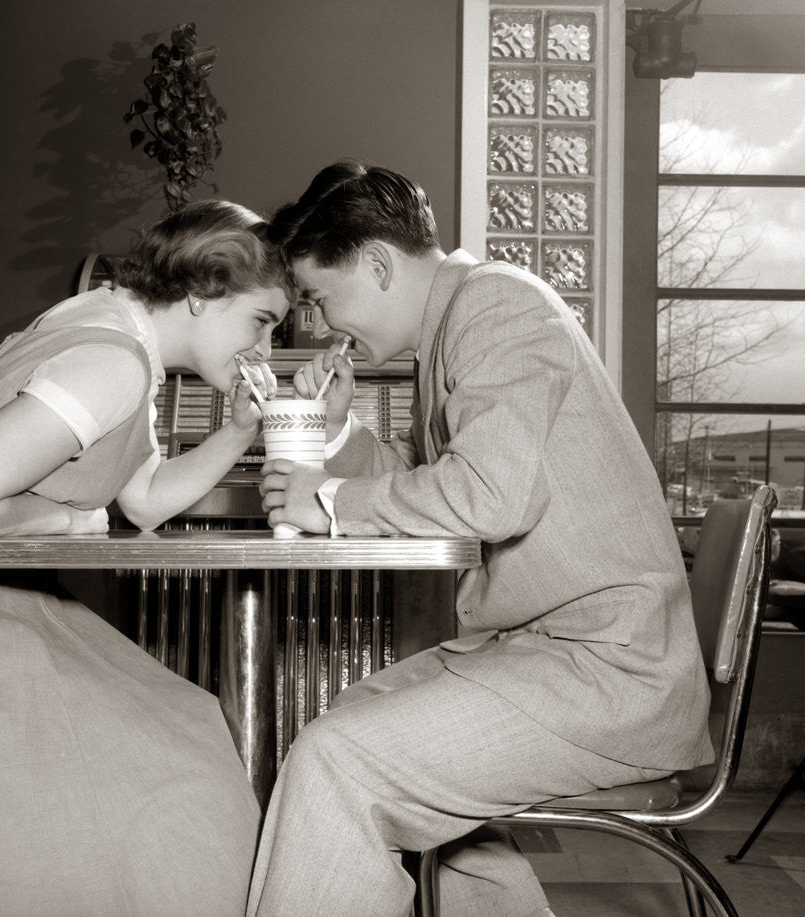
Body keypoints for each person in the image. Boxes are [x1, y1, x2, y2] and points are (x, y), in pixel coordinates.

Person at [249, 160, 714, 917]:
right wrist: (342, 436)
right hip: (555, 651)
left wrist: (328, 497)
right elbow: (449, 480)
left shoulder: (497, 305)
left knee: (340, 762)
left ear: (377, 263)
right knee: (337, 730)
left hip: (607, 670)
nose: (324, 326)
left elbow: (491, 498)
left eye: (321, 299)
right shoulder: (462, 321)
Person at [0, 200, 292, 917]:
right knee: (182, 777)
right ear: (204, 294)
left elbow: (143, 499)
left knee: (186, 726)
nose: (263, 351)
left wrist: (240, 431)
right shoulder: (110, 360)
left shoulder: (123, 339)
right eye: (262, 322)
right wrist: (69, 517)